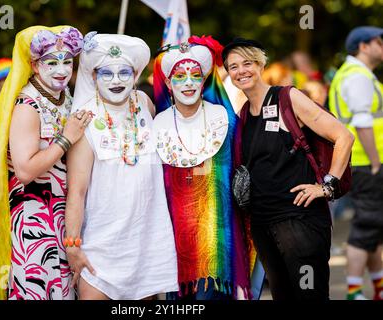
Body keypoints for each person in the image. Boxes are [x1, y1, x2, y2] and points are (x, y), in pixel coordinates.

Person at [223, 37, 354, 300]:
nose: (241, 71)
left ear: (260, 65)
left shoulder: (287, 97)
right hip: (263, 223)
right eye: (233, 66)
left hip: (300, 221)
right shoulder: (244, 114)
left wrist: (327, 186)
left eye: (247, 63)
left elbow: (343, 136)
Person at [0, 25, 90, 300]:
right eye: (52, 62)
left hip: (62, 217)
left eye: (67, 62)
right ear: (35, 65)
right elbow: (24, 170)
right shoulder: (27, 105)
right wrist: (66, 139)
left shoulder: (65, 97)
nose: (61, 69)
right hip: (33, 220)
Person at [65, 32, 178, 300]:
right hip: (100, 252)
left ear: (136, 75)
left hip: (146, 248)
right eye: (107, 73)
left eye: (124, 72)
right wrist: (72, 247)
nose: (116, 81)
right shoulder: (84, 120)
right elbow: (77, 192)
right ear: (93, 77)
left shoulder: (145, 105)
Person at [153, 36, 262, 300]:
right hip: (173, 241)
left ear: (205, 81)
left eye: (195, 75)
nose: (188, 83)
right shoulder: (154, 125)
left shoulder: (227, 120)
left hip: (220, 238)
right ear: (168, 82)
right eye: (179, 76)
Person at [328, 26, 383, 300]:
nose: (382, 46)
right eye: (378, 41)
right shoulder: (358, 76)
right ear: (364, 46)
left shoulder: (356, 74)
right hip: (366, 162)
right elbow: (362, 123)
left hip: (362, 162)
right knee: (367, 224)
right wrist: (375, 162)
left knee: (374, 225)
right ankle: (353, 291)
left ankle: (375, 287)